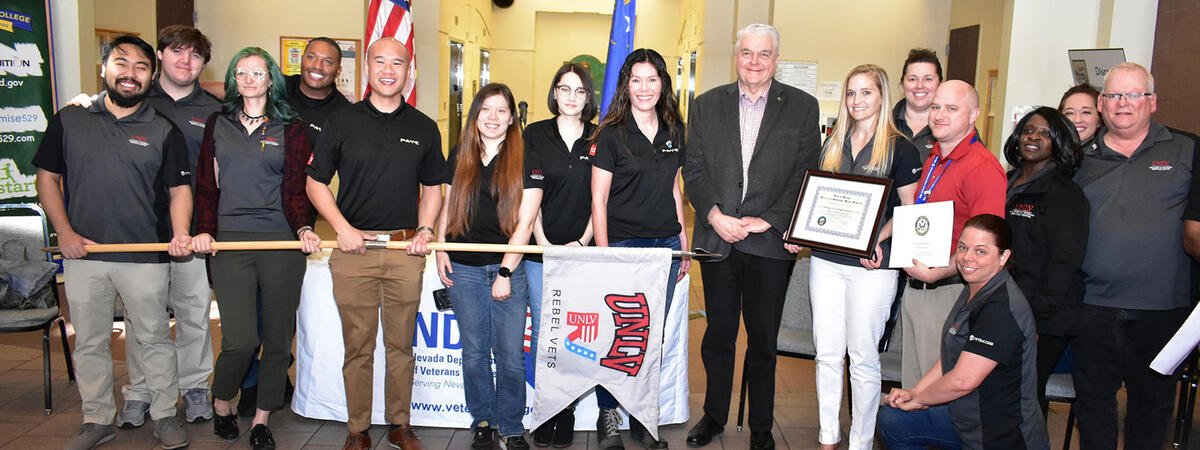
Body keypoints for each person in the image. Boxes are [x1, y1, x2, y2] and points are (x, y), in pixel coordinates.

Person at [34, 34, 194, 450]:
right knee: (88, 340)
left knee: (154, 338)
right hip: (84, 253)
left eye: (141, 68)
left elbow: (179, 190)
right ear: (104, 68)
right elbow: (47, 178)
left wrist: (179, 234)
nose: (130, 74)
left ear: (151, 77)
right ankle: (96, 419)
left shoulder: (164, 129)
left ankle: (163, 414)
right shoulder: (70, 119)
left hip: (145, 256)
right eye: (121, 63)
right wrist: (64, 232)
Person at [682, 23, 819, 450]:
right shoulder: (706, 105)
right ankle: (714, 416)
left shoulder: (802, 107)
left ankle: (761, 425)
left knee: (763, 341)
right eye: (747, 53)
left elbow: (805, 173)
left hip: (770, 243)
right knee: (718, 336)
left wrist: (772, 220)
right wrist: (713, 214)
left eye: (763, 54)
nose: (754, 62)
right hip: (719, 238)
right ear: (735, 56)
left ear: (776, 59)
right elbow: (694, 169)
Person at [305, 37, 444, 450]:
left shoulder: (424, 127)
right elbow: (315, 184)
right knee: (358, 347)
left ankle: (400, 424)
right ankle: (358, 429)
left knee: (402, 346)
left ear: (409, 71)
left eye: (397, 63)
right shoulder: (342, 122)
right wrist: (341, 228)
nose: (388, 70)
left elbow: (434, 187)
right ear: (367, 69)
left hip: (405, 253)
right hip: (353, 252)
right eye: (379, 62)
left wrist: (425, 230)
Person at [190, 47, 320, 449]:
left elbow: (297, 188)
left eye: (257, 73)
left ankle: (262, 418)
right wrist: (204, 230)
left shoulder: (292, 128)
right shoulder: (218, 123)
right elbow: (207, 186)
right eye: (241, 72)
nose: (249, 79)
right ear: (233, 80)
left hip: (281, 241)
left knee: (278, 339)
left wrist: (303, 228)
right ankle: (222, 404)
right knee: (241, 340)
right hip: (230, 241)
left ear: (271, 80)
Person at [1072, 62, 1197, 450]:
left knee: (1152, 407)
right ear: (1102, 103)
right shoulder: (1077, 158)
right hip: (1092, 306)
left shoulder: (1187, 148)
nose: (1122, 104)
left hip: (1163, 310)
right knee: (1093, 407)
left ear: (1152, 102)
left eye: (1133, 94)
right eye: (1112, 96)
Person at [798, 64, 922, 450]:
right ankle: (827, 435)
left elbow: (909, 208)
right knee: (828, 354)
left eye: (866, 92)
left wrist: (876, 238)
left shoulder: (900, 147)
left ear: (882, 97)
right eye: (851, 93)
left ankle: (861, 442)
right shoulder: (833, 144)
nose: (857, 101)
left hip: (872, 268)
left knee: (863, 357)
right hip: (825, 262)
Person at [235, 36, 352, 418]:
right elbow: (217, 96)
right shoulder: (274, 85)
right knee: (248, 312)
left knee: (281, 311)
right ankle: (252, 384)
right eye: (312, 57)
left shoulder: (344, 112)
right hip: (249, 215)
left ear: (339, 69)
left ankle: (272, 375)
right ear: (301, 61)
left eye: (329, 61)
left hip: (297, 219)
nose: (318, 65)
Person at [877, 214, 1050, 450]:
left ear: (1004, 256)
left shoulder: (1001, 309)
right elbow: (951, 355)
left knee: (899, 418)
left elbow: (962, 381)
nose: (967, 257)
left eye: (980, 251)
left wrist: (918, 400)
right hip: (968, 418)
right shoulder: (975, 288)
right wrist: (914, 392)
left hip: (1000, 436)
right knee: (893, 420)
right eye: (962, 247)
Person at [435, 82, 543, 450]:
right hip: (462, 269)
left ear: (512, 118)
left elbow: (526, 224)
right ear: (475, 116)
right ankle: (483, 420)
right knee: (475, 352)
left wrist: (506, 272)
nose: (493, 117)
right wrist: (440, 248)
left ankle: (511, 425)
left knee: (510, 354)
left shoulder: (527, 158)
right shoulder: (460, 154)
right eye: (485, 110)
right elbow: (447, 208)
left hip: (506, 270)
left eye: (501, 111)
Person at [590, 48, 688, 450]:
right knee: (620, 336)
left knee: (652, 338)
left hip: (664, 247)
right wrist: (604, 254)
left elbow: (675, 188)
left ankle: (641, 416)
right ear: (625, 85)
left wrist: (683, 241)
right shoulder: (610, 133)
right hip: (624, 247)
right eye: (636, 80)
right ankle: (608, 414)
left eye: (652, 79)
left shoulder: (674, 131)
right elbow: (598, 200)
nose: (644, 88)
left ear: (662, 83)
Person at [123, 25, 220, 427]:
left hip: (194, 231)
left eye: (195, 55)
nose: (186, 61)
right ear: (160, 55)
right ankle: (142, 389)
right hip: (140, 228)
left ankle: (196, 386)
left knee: (195, 312)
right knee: (141, 317)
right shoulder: (133, 99)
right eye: (177, 52)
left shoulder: (214, 110)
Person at [900, 80, 1006, 389]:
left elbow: (986, 247)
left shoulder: (983, 167)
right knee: (914, 385)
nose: (939, 115)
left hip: (948, 291)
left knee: (937, 389)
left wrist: (939, 273)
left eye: (951, 108)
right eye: (935, 107)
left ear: (973, 114)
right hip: (917, 287)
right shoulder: (933, 158)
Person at [525, 62, 597, 448]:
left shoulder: (601, 138)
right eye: (564, 89)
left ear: (588, 97)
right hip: (541, 254)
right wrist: (543, 243)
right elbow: (527, 195)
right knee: (543, 333)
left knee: (573, 334)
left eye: (579, 90)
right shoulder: (534, 134)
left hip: (584, 254)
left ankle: (565, 410)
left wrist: (583, 242)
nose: (571, 97)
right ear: (554, 92)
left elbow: (600, 199)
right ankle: (545, 409)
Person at [1001, 107, 1088, 412]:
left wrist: (1035, 317)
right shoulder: (1006, 180)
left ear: (1059, 142)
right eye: (1028, 130)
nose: (1034, 137)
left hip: (1042, 317)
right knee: (1002, 390)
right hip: (1005, 305)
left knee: (1025, 395)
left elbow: (1064, 262)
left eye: (1045, 133)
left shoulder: (1065, 193)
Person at [892, 48, 943, 160]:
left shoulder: (955, 128)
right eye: (912, 79)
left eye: (928, 79)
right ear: (902, 86)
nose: (920, 85)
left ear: (940, 85)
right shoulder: (883, 125)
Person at [1058, 84, 1103, 149]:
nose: (1077, 120)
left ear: (1099, 119)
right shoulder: (1048, 154)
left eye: (1085, 112)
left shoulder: (1110, 156)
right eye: (1070, 113)